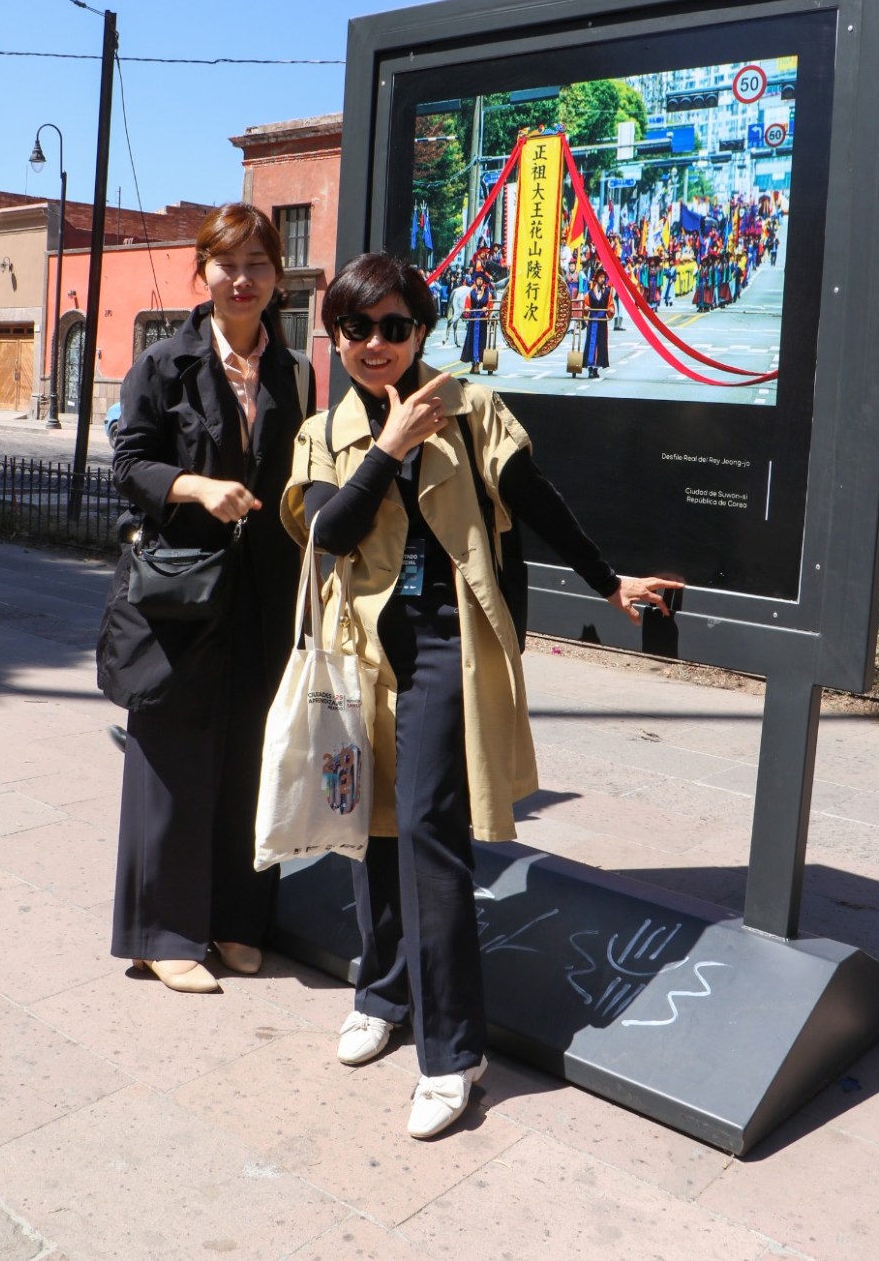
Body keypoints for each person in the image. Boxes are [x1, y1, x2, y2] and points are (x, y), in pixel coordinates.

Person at [281, 252, 681, 1138]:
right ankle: (382, 992)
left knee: (426, 831)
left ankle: (451, 1052)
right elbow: (327, 531)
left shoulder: (472, 409)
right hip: (357, 652)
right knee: (368, 827)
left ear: (422, 329)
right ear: (336, 335)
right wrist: (388, 447)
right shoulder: (325, 432)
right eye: (358, 328)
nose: (376, 344)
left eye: (394, 326)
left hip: (442, 646)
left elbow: (537, 500)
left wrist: (609, 582)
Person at [97, 203, 315, 993]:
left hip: (264, 593)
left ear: (276, 278)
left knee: (254, 758)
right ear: (205, 272)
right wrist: (194, 486)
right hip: (180, 593)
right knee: (173, 758)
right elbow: (128, 465)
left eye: (259, 263)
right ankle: (161, 932)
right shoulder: (165, 363)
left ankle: (234, 921)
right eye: (229, 264)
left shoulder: (295, 371)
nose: (244, 278)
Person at [582, 267, 613, 378]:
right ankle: (590, 367)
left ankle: (597, 368)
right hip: (593, 320)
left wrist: (610, 310)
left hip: (602, 322)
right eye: (600, 277)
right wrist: (586, 308)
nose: (602, 279)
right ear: (596, 279)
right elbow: (585, 305)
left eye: (603, 277)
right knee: (591, 343)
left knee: (600, 344)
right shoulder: (590, 293)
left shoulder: (608, 292)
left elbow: (610, 305)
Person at [460, 270, 491, 373]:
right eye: (478, 279)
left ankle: (477, 362)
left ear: (483, 282)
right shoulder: (471, 293)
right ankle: (473, 363)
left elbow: (489, 305)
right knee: (471, 341)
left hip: (481, 320)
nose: (479, 281)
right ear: (475, 280)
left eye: (481, 279)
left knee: (480, 342)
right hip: (473, 320)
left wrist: (486, 309)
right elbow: (467, 304)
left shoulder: (488, 294)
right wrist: (468, 309)